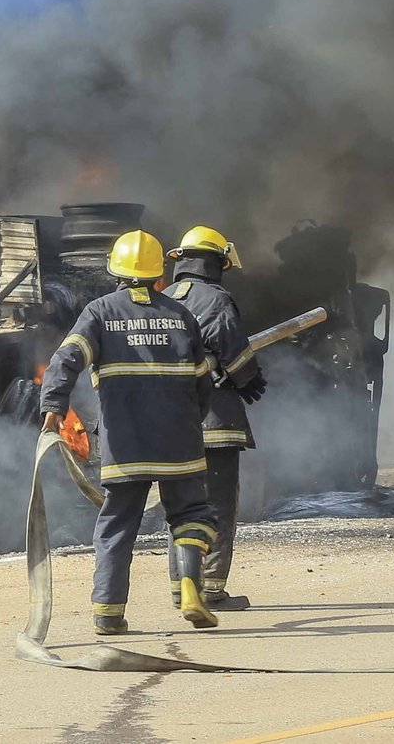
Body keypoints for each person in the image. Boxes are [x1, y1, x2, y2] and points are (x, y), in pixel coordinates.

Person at [39, 230, 220, 635]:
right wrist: (191, 419)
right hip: (180, 438)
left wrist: (53, 406)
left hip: (125, 441)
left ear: (115, 272)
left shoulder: (100, 312)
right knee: (191, 514)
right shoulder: (180, 315)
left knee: (117, 524)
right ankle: (190, 586)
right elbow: (203, 382)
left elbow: (66, 359)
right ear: (159, 275)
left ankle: (107, 612)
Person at [163, 226, 268, 611]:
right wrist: (248, 379)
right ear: (215, 263)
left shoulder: (163, 298)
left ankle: (182, 586)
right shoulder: (216, 299)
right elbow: (232, 349)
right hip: (215, 424)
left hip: (171, 425)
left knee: (181, 507)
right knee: (217, 505)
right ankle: (209, 589)